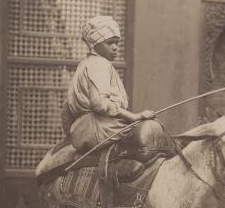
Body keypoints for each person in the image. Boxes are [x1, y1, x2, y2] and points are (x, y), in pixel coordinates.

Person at [61, 15, 155, 153]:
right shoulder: (100, 64)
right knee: (152, 130)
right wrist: (134, 117)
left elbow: (65, 110)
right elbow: (99, 103)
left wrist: (70, 135)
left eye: (116, 43)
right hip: (100, 129)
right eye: (110, 42)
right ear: (95, 44)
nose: (115, 47)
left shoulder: (84, 64)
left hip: (81, 131)